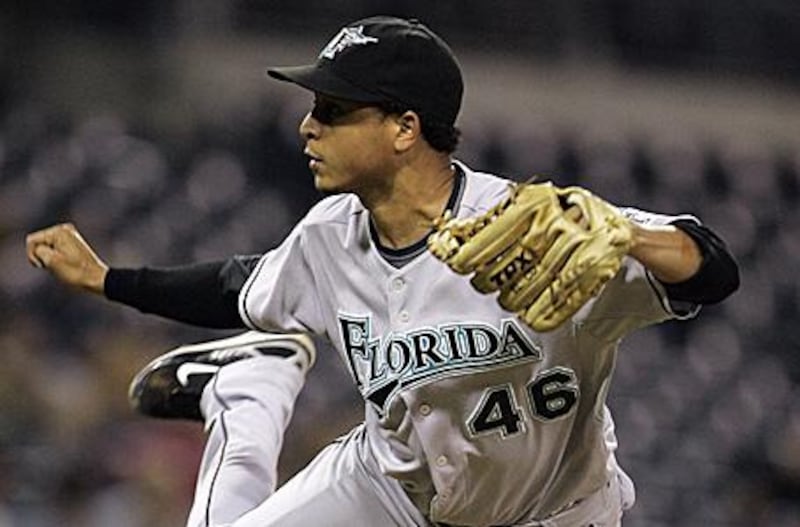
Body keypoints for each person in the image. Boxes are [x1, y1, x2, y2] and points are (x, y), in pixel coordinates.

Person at [26, 15, 739, 527]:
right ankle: (254, 391)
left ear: (404, 128)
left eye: (334, 110)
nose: (308, 125)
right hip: (393, 483)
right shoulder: (331, 236)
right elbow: (236, 283)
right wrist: (109, 278)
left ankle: (248, 388)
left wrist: (631, 238)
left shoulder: (530, 227)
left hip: (557, 512)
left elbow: (710, 270)